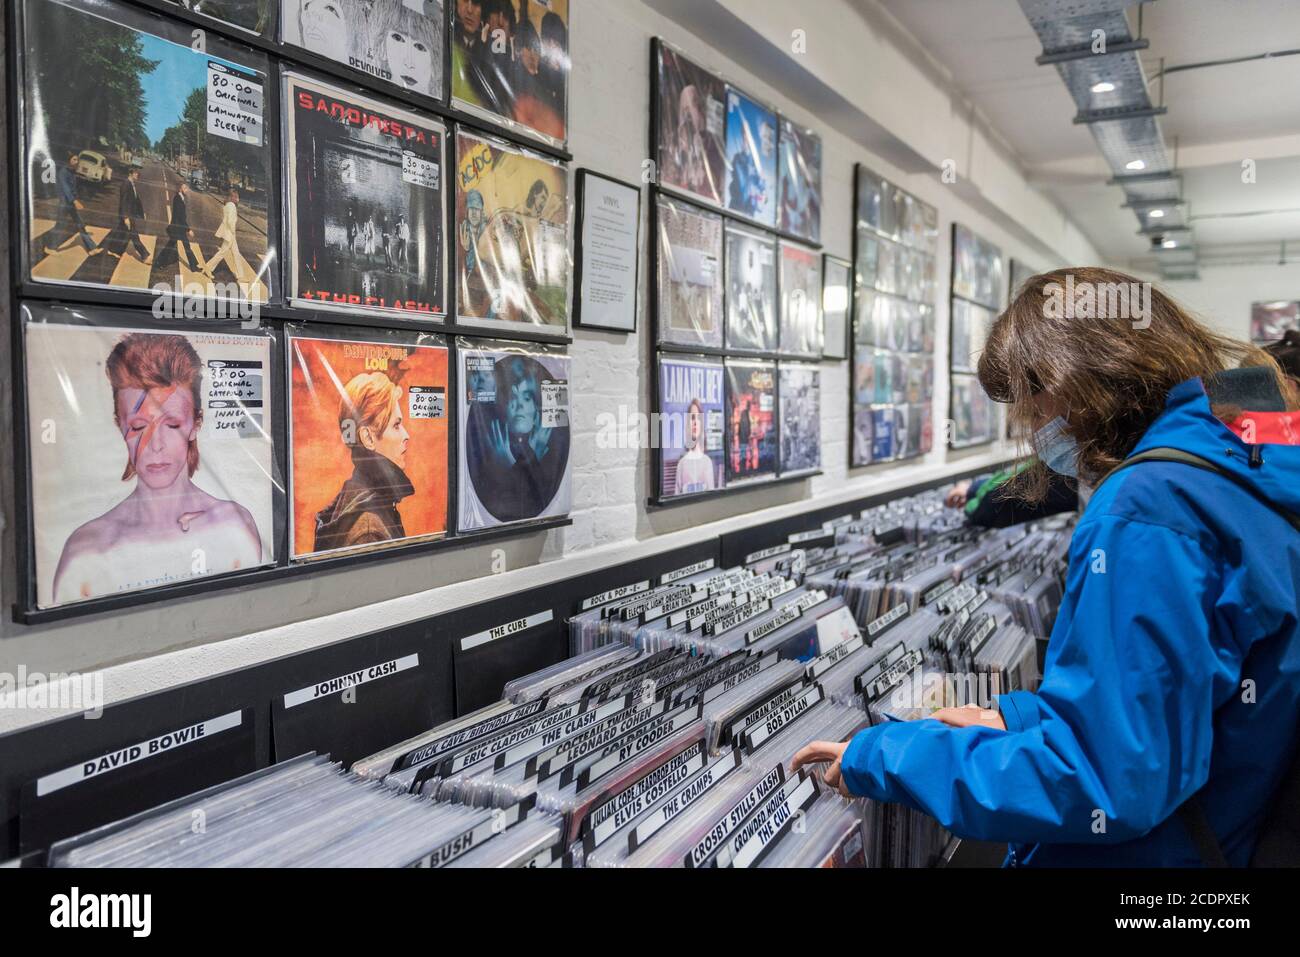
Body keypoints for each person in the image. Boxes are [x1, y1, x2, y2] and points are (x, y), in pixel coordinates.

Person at [794, 266, 1300, 866]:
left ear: (1078, 377)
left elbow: (1103, 781)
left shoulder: (1148, 505)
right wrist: (1019, 715)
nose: (1032, 430)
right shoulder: (1237, 461)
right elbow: (1172, 702)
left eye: (1031, 402)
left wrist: (889, 756)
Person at [52, 334, 263, 604]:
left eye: (172, 424)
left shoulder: (234, 526)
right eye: (139, 427)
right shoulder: (86, 551)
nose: (156, 445)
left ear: (195, 424)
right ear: (120, 426)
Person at [314, 372, 414, 552]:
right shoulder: (369, 529)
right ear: (367, 437)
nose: (406, 435)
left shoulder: (355, 494)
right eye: (396, 425)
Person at [945, 460, 1078, 528]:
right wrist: (973, 489)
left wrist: (972, 491)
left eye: (1037, 415)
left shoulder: (1060, 462)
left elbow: (994, 504)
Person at [43, 153, 99, 257]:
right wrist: (74, 201)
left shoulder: (72, 172)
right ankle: (50, 247)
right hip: (65, 203)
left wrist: (76, 198)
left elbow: (73, 188)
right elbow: (66, 189)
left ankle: (91, 248)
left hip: (70, 202)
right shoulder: (63, 173)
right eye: (74, 160)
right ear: (68, 160)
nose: (76, 162)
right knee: (61, 224)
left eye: (77, 160)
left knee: (80, 224)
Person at [102, 166, 150, 264]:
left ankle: (113, 249)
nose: (138, 174)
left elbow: (136, 201)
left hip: (130, 214)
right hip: (127, 214)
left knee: (121, 233)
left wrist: (141, 213)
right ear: (130, 174)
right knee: (134, 235)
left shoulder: (132, 184)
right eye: (136, 173)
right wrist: (125, 217)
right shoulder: (125, 184)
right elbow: (123, 202)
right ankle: (144, 255)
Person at [158, 180, 203, 273]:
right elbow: (180, 217)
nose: (187, 190)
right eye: (185, 188)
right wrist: (188, 229)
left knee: (185, 246)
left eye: (186, 188)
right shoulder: (178, 199)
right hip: (177, 228)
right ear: (180, 189)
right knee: (171, 246)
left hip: (179, 228)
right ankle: (160, 262)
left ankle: (194, 267)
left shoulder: (180, 198)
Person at [673, 399, 717, 494]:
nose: (695, 422)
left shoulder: (707, 462)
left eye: (698, 418)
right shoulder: (682, 464)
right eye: (692, 418)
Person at [203, 188, 245, 284]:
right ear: (233, 198)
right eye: (237, 197)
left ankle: (241, 276)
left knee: (236, 254)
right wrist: (233, 230)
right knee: (222, 252)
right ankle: (208, 267)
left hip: (229, 233)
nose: (238, 199)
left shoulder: (227, 205)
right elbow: (230, 221)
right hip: (230, 233)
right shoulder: (232, 206)